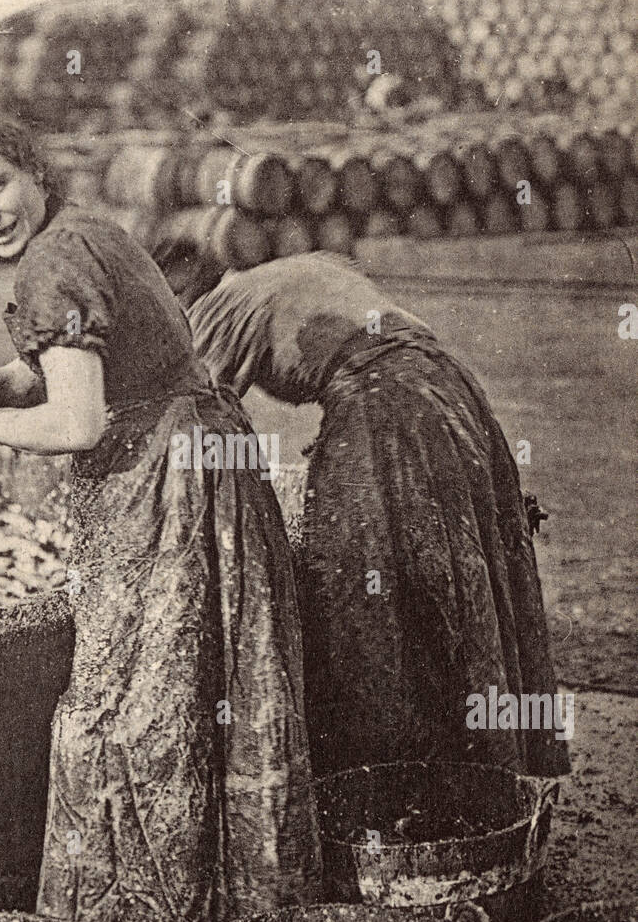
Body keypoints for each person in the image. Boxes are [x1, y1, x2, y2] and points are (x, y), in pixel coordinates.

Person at [0, 112, 323, 922]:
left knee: (135, 713)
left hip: (163, 489)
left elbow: (78, 417)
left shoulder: (53, 261)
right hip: (205, 459)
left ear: (32, 169)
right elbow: (80, 361)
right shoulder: (90, 230)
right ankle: (233, 921)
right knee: (214, 689)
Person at [180, 249, 571, 782]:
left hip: (386, 408)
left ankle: (395, 778)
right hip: (448, 388)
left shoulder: (215, 309)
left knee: (365, 599)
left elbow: (195, 419)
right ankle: (482, 769)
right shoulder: (285, 273)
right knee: (452, 572)